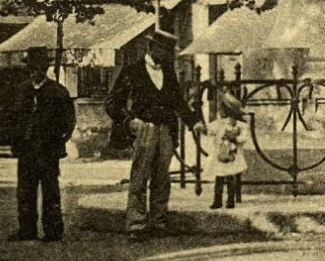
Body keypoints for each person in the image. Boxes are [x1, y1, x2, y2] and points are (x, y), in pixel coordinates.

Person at [105, 30, 204, 240]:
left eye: (169, 51)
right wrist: (129, 122)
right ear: (151, 48)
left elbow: (177, 100)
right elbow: (112, 103)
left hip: (166, 129)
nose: (168, 55)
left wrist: (193, 121)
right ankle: (136, 225)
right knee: (140, 177)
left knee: (162, 177)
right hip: (145, 128)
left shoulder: (168, 71)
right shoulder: (132, 71)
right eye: (164, 50)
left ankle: (158, 222)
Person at [8, 46, 76, 243]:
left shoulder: (58, 92)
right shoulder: (22, 91)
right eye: (30, 68)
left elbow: (68, 121)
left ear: (45, 68)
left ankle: (53, 231)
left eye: (38, 68)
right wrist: (17, 142)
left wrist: (60, 141)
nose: (34, 72)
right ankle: (27, 229)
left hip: (48, 150)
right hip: (27, 150)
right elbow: (14, 119)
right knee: (25, 191)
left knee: (50, 191)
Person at [204, 91, 249, 210]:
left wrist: (235, 138)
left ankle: (230, 201)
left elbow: (244, 138)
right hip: (221, 155)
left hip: (233, 156)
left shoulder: (241, 125)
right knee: (219, 178)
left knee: (230, 179)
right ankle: (217, 201)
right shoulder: (220, 124)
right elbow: (208, 130)